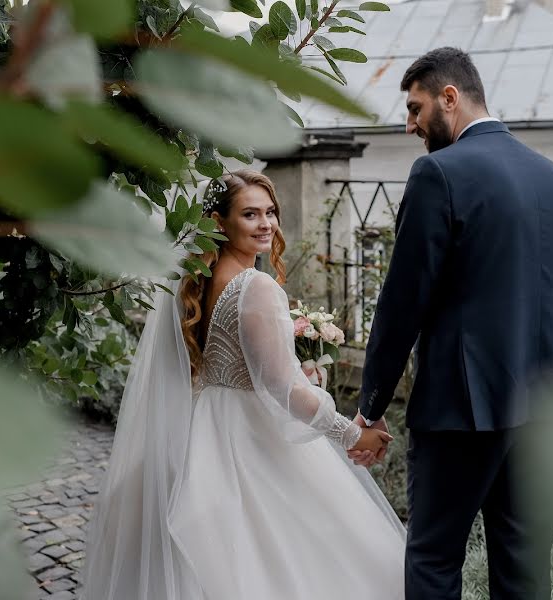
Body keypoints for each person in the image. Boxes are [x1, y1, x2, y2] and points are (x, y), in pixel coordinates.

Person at [82, 170, 406, 599]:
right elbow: (280, 389)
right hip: (249, 438)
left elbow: (232, 365)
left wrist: (298, 372)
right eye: (250, 214)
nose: (266, 224)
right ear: (220, 223)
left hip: (202, 426)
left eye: (270, 212)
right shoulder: (257, 286)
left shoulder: (195, 285)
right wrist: (350, 433)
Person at [350, 47, 553, 600]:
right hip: (547, 408)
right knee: (526, 565)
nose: (410, 125)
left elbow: (403, 301)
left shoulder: (437, 172)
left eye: (415, 109)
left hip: (463, 407)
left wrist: (371, 405)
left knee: (434, 559)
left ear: (449, 99)